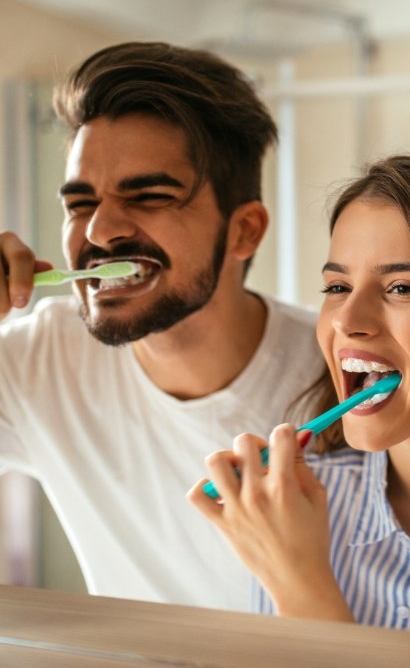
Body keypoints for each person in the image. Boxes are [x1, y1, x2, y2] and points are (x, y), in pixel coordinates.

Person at [0, 42, 329, 611]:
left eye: (148, 195)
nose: (100, 232)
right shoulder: (43, 357)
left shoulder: (342, 381)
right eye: (80, 204)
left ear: (245, 232)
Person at [189, 155, 410, 629]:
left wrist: (301, 586)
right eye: (337, 286)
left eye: (402, 288)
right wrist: (291, 573)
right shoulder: (290, 514)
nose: (347, 321)